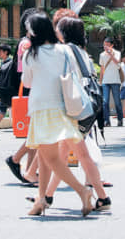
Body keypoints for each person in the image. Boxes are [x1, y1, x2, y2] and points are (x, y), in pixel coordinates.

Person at [21, 11, 94, 217]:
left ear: (33, 32)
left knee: (51, 158)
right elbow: (75, 74)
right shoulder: (65, 50)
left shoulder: (31, 54)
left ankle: (83, 191)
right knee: (45, 158)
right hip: (63, 107)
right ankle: (40, 200)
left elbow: (27, 83)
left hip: (42, 108)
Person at [42, 16, 112, 211]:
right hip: (85, 107)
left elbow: (59, 77)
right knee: (63, 154)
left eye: (58, 28)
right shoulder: (82, 52)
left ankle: (103, 197)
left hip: (72, 109)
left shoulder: (65, 51)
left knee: (81, 154)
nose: (55, 31)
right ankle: (47, 196)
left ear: (63, 32)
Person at [4, 8, 39, 185]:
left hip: (32, 89)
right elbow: (26, 71)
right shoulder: (27, 44)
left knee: (36, 132)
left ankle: (29, 169)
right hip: (29, 89)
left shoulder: (30, 42)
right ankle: (17, 160)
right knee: (37, 131)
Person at [99, 37, 124, 127]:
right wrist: (100, 81)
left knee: (117, 101)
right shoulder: (102, 55)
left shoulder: (117, 53)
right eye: (104, 44)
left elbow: (117, 63)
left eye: (107, 45)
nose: (105, 46)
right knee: (105, 102)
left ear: (112, 45)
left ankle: (120, 119)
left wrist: (110, 54)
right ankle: (107, 121)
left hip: (115, 80)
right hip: (106, 81)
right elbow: (102, 68)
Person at [0, 43, 13, 130]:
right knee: (4, 107)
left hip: (8, 89)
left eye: (0, 51)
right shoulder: (3, 63)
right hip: (3, 88)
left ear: (6, 52)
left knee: (5, 106)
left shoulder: (11, 63)